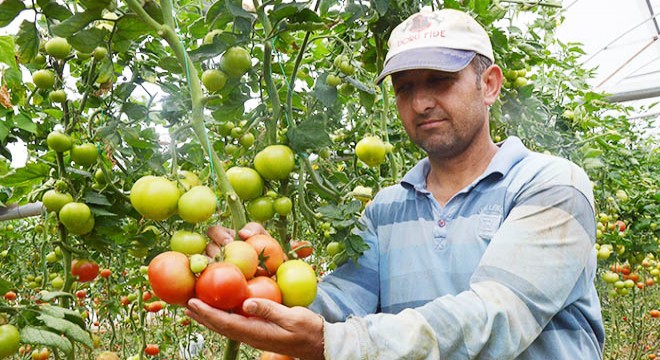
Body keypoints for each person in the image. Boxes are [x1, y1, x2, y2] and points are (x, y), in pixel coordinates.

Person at [185, 8, 604, 359]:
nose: (421, 103)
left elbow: (497, 317)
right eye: (405, 89)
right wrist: (258, 280)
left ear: (489, 84)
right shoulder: (386, 208)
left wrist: (334, 343)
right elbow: (341, 304)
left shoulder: (549, 185)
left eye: (441, 80)